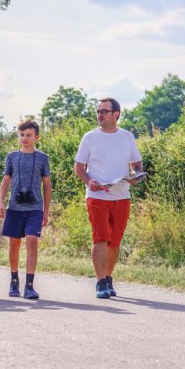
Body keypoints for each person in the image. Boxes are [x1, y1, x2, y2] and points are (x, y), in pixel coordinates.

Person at [74, 97, 144, 299]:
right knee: (100, 238)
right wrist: (89, 181)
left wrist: (135, 177)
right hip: (97, 195)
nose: (100, 114)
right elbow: (79, 167)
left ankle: (108, 277)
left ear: (116, 114)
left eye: (104, 111)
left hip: (122, 195)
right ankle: (100, 282)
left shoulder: (127, 137)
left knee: (114, 241)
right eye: (98, 111)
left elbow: (137, 165)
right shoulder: (90, 137)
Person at [0, 119, 52, 300]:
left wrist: (46, 210)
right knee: (14, 243)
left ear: (36, 137)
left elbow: (47, 185)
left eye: (28, 135)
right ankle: (14, 280)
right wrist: (0, 202)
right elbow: (6, 181)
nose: (24, 138)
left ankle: (30, 285)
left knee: (32, 241)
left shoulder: (43, 158)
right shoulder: (12, 157)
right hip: (14, 207)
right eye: (21, 135)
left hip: (35, 207)